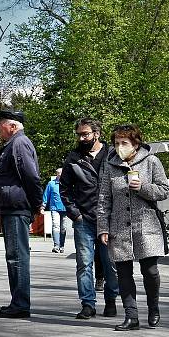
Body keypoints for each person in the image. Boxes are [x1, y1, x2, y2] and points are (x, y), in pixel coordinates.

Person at [98, 124, 169, 331]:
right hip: (119, 227)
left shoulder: (152, 161)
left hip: (146, 225)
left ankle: (153, 307)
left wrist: (143, 188)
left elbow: (164, 190)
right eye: (117, 143)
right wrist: (103, 227)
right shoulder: (110, 166)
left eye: (124, 143)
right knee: (123, 273)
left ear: (135, 144)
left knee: (150, 271)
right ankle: (132, 316)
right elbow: (104, 199)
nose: (120, 147)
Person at [60, 117, 119, 319]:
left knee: (110, 263)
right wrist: (74, 213)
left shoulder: (113, 154)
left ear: (97, 134)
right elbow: (64, 189)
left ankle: (111, 299)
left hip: (109, 219)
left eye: (86, 134)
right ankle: (88, 303)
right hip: (83, 218)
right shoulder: (74, 157)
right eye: (79, 134)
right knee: (84, 264)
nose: (82, 137)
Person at [0, 109, 42, 318]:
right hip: (13, 208)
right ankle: (18, 301)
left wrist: (36, 204)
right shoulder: (14, 144)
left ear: (12, 126)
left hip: (17, 208)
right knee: (15, 256)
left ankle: (20, 304)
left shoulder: (19, 143)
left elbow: (31, 176)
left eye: (1, 123)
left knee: (17, 257)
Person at [41, 168, 67, 253]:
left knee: (63, 228)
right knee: (56, 226)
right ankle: (56, 246)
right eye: (58, 173)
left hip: (65, 209)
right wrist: (43, 207)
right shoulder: (51, 184)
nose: (60, 175)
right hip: (54, 208)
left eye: (62, 173)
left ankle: (62, 246)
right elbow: (46, 195)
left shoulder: (67, 183)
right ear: (56, 174)